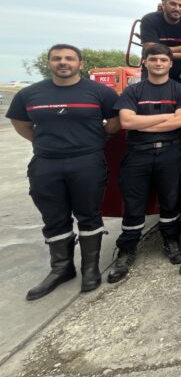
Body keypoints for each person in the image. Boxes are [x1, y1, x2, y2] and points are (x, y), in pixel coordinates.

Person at [6, 44, 119, 300]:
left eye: (69, 58)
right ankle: (61, 269)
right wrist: (43, 142)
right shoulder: (30, 94)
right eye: (57, 58)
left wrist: (94, 141)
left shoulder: (99, 92)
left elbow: (114, 122)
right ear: (49, 63)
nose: (63, 62)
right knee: (54, 218)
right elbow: (20, 123)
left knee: (89, 215)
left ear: (80, 64)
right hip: (46, 163)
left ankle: (90, 268)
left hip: (87, 161)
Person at [107, 44, 181, 283]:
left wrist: (143, 122)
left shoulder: (179, 89)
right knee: (134, 203)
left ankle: (171, 241)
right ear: (145, 62)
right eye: (153, 59)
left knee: (170, 200)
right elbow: (127, 122)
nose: (159, 64)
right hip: (137, 154)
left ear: (170, 64)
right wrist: (166, 117)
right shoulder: (133, 91)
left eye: (163, 60)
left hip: (169, 153)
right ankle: (126, 250)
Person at [140, 0, 181, 85]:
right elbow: (150, 49)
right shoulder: (149, 20)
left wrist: (163, 54)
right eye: (173, 4)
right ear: (163, 5)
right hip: (155, 62)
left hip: (179, 66)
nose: (177, 8)